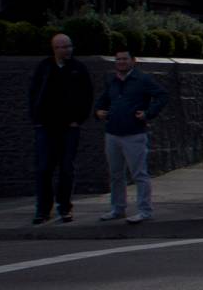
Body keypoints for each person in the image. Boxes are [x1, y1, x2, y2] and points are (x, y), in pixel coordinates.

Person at [94, 48, 170, 223]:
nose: (121, 62)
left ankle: (145, 210)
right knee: (115, 174)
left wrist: (148, 113)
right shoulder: (112, 80)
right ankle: (117, 209)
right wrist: (98, 111)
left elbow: (162, 95)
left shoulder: (142, 79)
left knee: (139, 174)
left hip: (133, 134)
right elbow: (103, 99)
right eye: (118, 59)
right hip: (112, 133)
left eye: (124, 59)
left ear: (133, 60)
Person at [27, 31, 94, 224]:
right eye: (64, 47)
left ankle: (65, 208)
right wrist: (36, 118)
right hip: (46, 126)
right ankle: (42, 209)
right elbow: (34, 93)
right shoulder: (45, 67)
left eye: (69, 46)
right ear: (55, 49)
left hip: (69, 126)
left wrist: (78, 119)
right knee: (44, 168)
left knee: (67, 168)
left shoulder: (78, 68)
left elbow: (86, 95)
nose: (68, 50)